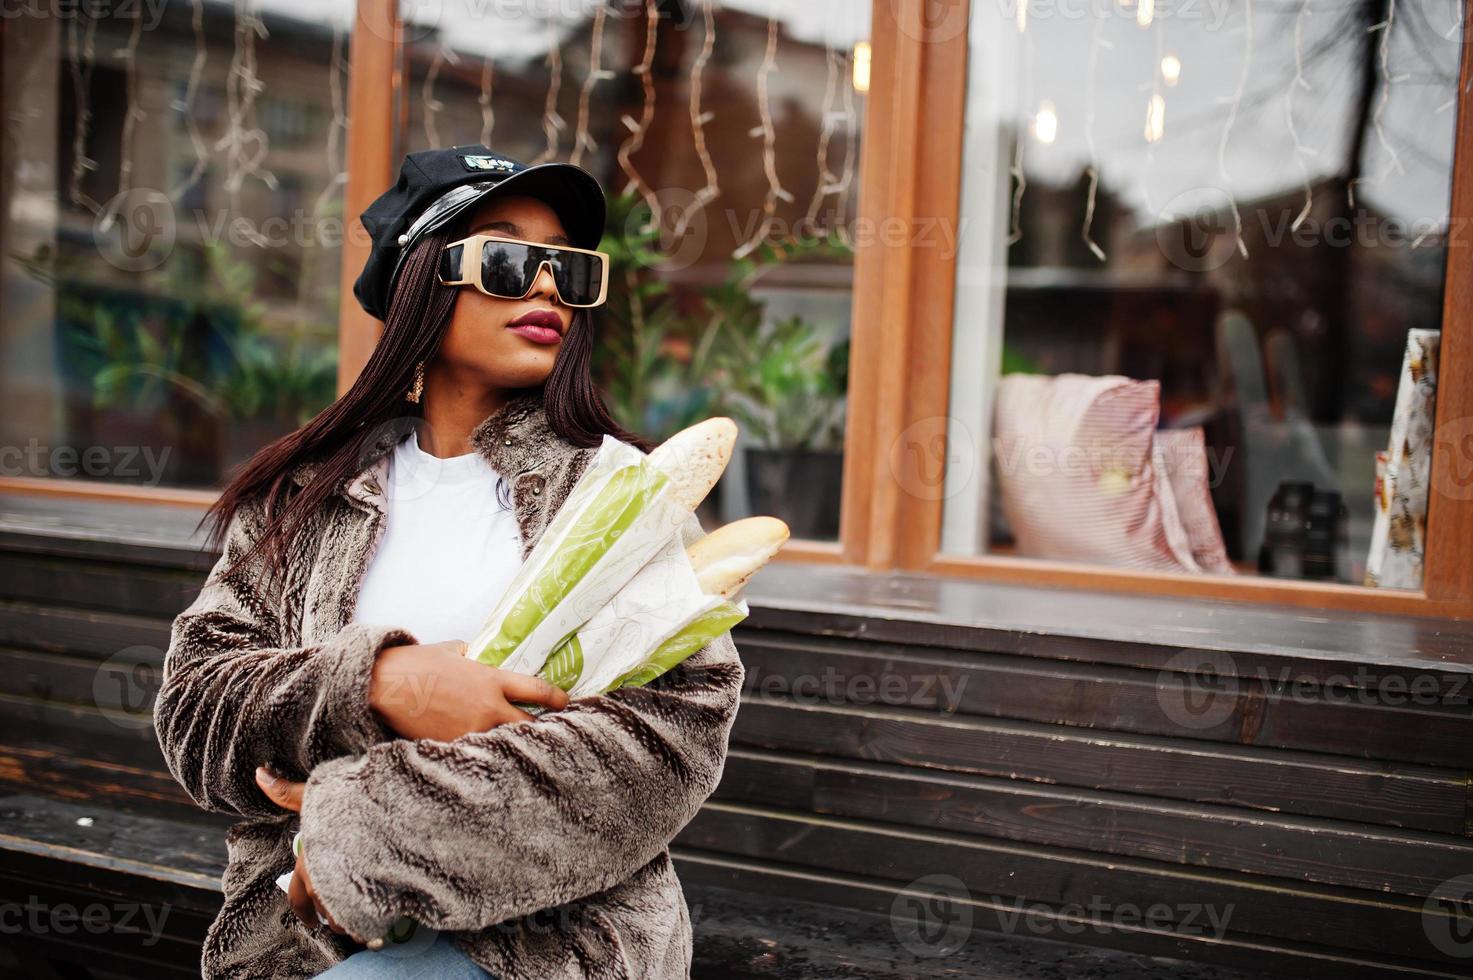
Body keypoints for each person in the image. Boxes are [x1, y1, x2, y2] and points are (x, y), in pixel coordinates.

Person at [153, 145, 745, 979]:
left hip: (547, 948)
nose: (545, 288)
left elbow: (664, 742)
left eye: (567, 271)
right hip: (300, 941)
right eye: (505, 260)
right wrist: (381, 682)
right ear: (417, 282)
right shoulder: (304, 495)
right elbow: (196, 708)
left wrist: (358, 830)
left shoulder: (620, 495)